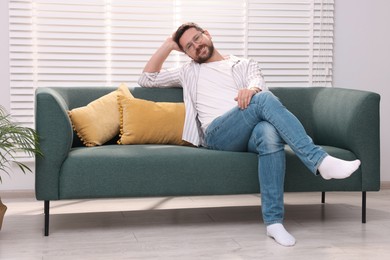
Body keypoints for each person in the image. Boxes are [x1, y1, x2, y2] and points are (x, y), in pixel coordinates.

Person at [138, 22, 361, 247]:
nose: (196, 46)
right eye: (188, 46)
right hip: (218, 134)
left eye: (197, 38)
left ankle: (274, 223)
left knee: (268, 131)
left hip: (249, 129)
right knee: (263, 99)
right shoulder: (188, 72)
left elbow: (257, 83)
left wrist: (252, 90)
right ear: (186, 53)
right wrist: (168, 44)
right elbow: (146, 79)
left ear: (207, 34)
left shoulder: (244, 64)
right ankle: (319, 160)